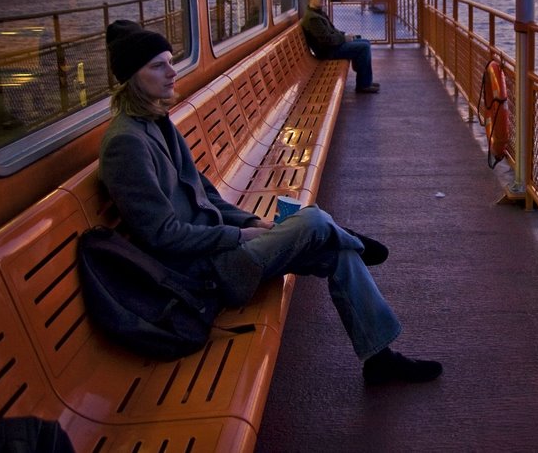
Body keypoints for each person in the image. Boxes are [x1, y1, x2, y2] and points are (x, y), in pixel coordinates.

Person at [98, 20, 441, 384]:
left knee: (338, 252)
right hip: (201, 273)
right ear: (132, 78)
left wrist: (249, 223)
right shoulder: (126, 144)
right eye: (158, 65)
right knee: (311, 221)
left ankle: (379, 356)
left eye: (170, 61)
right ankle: (343, 233)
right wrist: (237, 237)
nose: (172, 72)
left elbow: (207, 197)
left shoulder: (158, 123)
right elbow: (161, 236)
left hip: (222, 248)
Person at [300, 0, 380, 93]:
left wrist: (345, 35)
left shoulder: (318, 13)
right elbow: (327, 40)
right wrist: (344, 38)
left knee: (364, 41)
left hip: (332, 46)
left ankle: (364, 77)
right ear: (310, 0)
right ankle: (363, 85)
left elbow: (332, 31)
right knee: (363, 48)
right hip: (328, 51)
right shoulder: (312, 18)